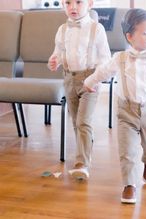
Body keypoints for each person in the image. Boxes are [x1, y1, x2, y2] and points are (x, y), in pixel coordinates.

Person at [84, 8, 146, 204]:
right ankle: (129, 184)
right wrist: (90, 82)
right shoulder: (120, 58)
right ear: (129, 37)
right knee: (127, 150)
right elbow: (103, 72)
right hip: (126, 111)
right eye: (145, 33)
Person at [48, 0, 111, 180]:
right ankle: (85, 148)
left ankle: (82, 163)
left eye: (78, 2)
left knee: (83, 121)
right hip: (69, 79)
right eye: (68, 3)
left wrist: (94, 79)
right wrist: (54, 60)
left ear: (89, 4)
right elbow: (58, 53)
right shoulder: (62, 30)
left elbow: (105, 59)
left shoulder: (96, 29)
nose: (73, 7)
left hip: (90, 80)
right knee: (76, 121)